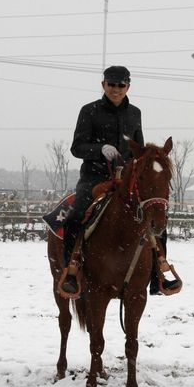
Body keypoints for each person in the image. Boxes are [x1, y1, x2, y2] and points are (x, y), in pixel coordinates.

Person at [60, 65, 178, 296]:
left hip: (128, 179)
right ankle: (71, 270)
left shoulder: (135, 113)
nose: (116, 89)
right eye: (111, 84)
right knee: (75, 217)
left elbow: (139, 150)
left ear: (128, 87)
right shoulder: (89, 111)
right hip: (94, 178)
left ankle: (158, 272)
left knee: (155, 217)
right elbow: (77, 147)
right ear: (103, 85)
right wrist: (99, 149)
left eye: (121, 85)